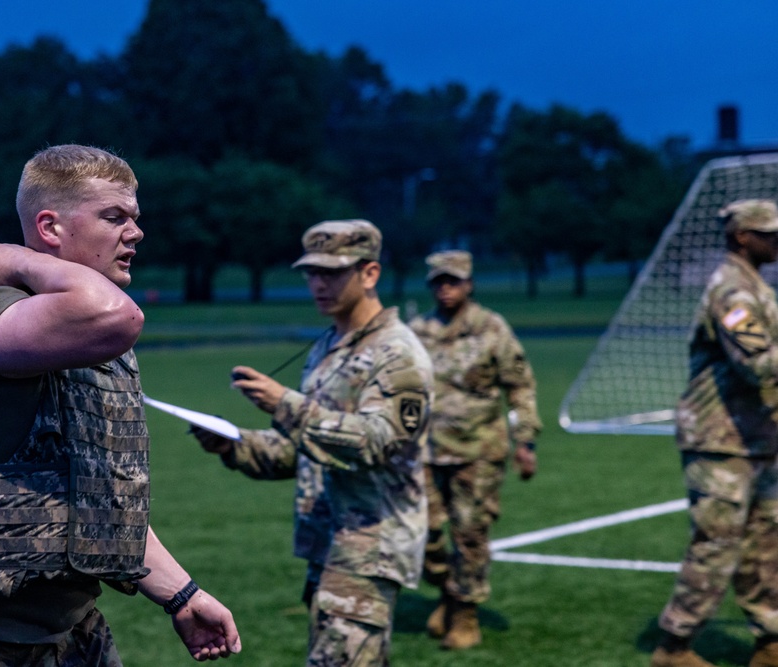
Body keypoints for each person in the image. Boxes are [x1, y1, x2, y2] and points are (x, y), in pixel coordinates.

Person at [0, 144, 241, 666]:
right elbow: (118, 316)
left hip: (72, 636)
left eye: (135, 218)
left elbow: (97, 498)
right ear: (50, 227)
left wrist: (183, 596)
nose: (134, 233)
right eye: (114, 217)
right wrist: (17, 258)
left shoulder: (74, 338)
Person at [191, 219, 434, 666]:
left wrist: (286, 404)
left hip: (370, 544)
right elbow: (302, 453)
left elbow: (378, 443)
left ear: (370, 274)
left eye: (332, 272)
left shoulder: (397, 354)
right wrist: (233, 443)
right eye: (311, 273)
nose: (318, 283)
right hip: (330, 541)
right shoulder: (329, 346)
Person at [651, 199, 778, 667]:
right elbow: (757, 365)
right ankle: (674, 646)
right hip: (719, 441)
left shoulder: (755, 286)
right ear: (742, 236)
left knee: (766, 546)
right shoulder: (731, 292)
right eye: (769, 232)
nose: (777, 240)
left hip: (758, 438)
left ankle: (769, 642)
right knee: (716, 546)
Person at [407, 250, 541, 651]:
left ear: (469, 284)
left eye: (454, 281)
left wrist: (526, 441)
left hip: (479, 451)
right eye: (439, 282)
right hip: (424, 452)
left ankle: (464, 614)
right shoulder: (416, 331)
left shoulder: (491, 329)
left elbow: (519, 385)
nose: (445, 289)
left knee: (469, 535)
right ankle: (447, 589)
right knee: (422, 535)